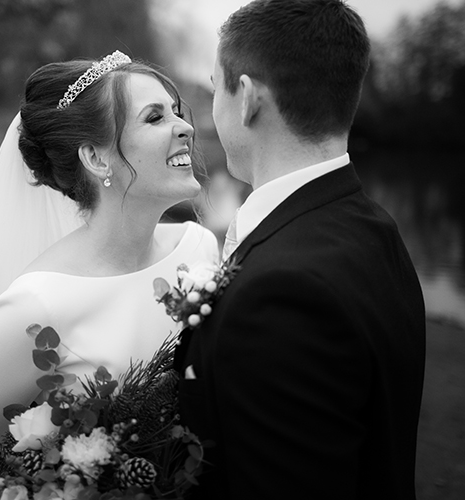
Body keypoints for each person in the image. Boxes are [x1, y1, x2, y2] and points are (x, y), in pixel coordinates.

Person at [0, 51, 219, 500]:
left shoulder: (199, 248)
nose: (186, 127)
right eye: (155, 117)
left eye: (177, 113)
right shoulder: (33, 307)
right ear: (96, 158)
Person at [175, 1, 426, 499]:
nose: (211, 108)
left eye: (214, 86)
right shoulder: (375, 228)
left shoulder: (281, 295)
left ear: (246, 98)